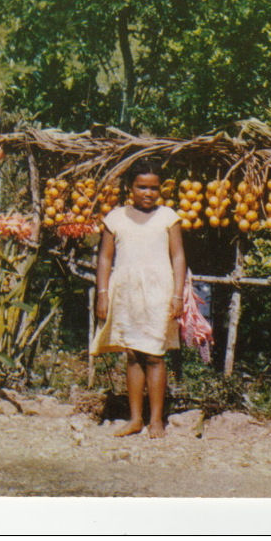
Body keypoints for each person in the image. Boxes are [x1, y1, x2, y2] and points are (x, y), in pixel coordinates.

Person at [92, 159, 186, 438]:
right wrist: (102, 294)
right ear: (129, 188)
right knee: (133, 353)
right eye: (141, 187)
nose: (148, 193)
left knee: (155, 354)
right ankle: (135, 419)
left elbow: (178, 256)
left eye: (154, 188)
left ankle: (156, 420)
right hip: (126, 292)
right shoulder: (115, 218)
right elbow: (105, 258)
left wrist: (178, 295)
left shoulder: (168, 217)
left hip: (159, 291)